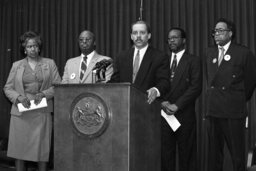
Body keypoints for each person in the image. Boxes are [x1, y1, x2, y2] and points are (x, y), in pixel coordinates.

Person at [3, 31, 61, 171]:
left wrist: (44, 93)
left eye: (35, 45)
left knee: (42, 152)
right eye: (29, 46)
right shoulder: (16, 65)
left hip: (42, 113)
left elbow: (58, 86)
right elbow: (8, 88)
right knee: (20, 152)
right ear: (24, 48)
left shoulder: (49, 63)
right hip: (21, 114)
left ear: (39, 47)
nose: (32, 49)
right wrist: (19, 98)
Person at [205, 18, 256, 171]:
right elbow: (210, 81)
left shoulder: (243, 52)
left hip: (233, 111)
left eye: (221, 30)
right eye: (215, 31)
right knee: (214, 155)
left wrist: (237, 98)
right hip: (213, 111)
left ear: (230, 33)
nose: (216, 34)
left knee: (237, 155)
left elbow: (251, 81)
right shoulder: (209, 52)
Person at [161, 27, 202, 171]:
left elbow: (196, 87)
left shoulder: (193, 60)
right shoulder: (163, 60)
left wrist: (177, 105)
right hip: (164, 116)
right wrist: (162, 102)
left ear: (183, 40)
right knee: (166, 156)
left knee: (187, 156)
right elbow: (156, 84)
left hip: (184, 115)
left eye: (175, 37)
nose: (171, 40)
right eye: (169, 38)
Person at [109, 20, 170, 104]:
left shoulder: (160, 57)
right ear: (131, 36)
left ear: (149, 36)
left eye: (142, 33)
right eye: (135, 33)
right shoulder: (122, 56)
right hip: (124, 104)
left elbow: (164, 82)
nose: (138, 36)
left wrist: (156, 90)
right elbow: (115, 81)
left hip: (147, 105)